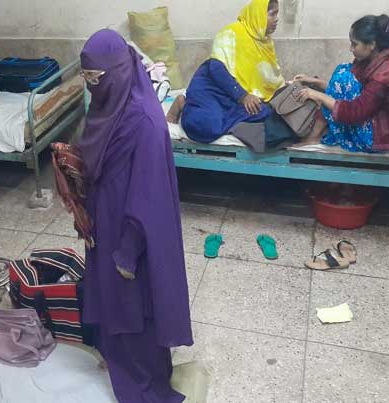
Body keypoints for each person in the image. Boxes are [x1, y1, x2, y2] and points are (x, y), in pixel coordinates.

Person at [77, 29, 193, 403]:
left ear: (118, 71)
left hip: (131, 231)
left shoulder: (144, 121)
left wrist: (128, 250)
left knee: (132, 303)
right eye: (86, 78)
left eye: (96, 78)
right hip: (105, 218)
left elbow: (151, 195)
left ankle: (143, 375)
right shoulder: (108, 106)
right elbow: (95, 157)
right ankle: (115, 355)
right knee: (111, 299)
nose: (92, 86)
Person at [167, 0, 294, 151]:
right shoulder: (231, 33)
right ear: (258, 15)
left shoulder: (264, 42)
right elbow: (216, 68)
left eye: (277, 14)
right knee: (205, 127)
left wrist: (284, 89)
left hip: (235, 99)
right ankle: (182, 103)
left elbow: (267, 77)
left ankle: (224, 118)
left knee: (266, 113)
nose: (276, 19)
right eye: (272, 14)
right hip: (214, 88)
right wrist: (243, 96)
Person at [293, 14, 389, 152]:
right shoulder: (383, 54)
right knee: (344, 70)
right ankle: (318, 131)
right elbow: (363, 89)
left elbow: (354, 112)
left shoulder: (384, 76)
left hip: (381, 137)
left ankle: (314, 136)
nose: (351, 49)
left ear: (371, 45)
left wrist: (319, 96)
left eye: (355, 44)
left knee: (343, 77)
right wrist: (316, 82)